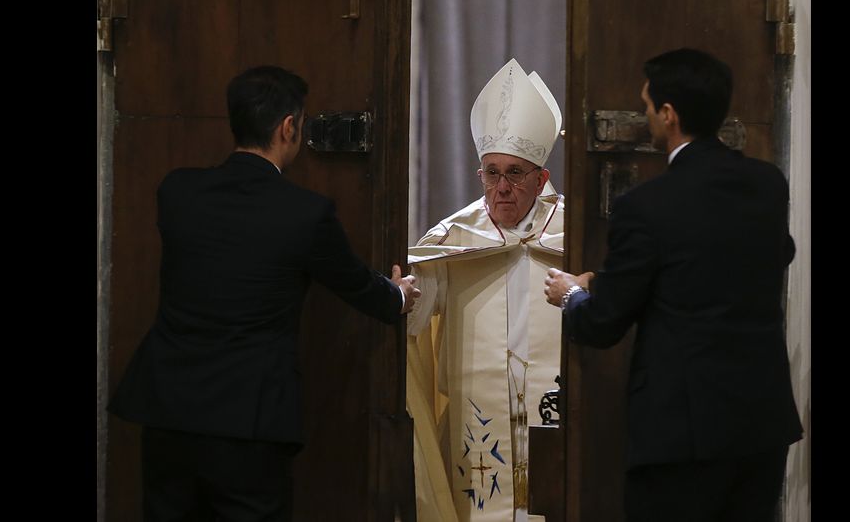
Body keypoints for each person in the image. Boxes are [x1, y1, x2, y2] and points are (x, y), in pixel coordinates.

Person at [107, 65, 420, 521]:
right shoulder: (304, 214)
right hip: (248, 419)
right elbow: (357, 285)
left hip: (168, 408)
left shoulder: (177, 192)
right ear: (288, 127)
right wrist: (398, 295)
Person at [544, 48, 802, 522]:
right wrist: (617, 279)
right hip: (760, 421)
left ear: (668, 114)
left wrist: (573, 295)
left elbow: (603, 324)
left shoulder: (646, 205)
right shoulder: (767, 183)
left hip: (683, 432)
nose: (645, 114)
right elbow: (763, 255)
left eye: (647, 105)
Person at [407, 58, 564, 521]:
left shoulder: (574, 238)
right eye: (491, 173)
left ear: (541, 179)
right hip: (477, 423)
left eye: (515, 173)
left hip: (554, 411)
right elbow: (413, 326)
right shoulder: (453, 240)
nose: (501, 187)